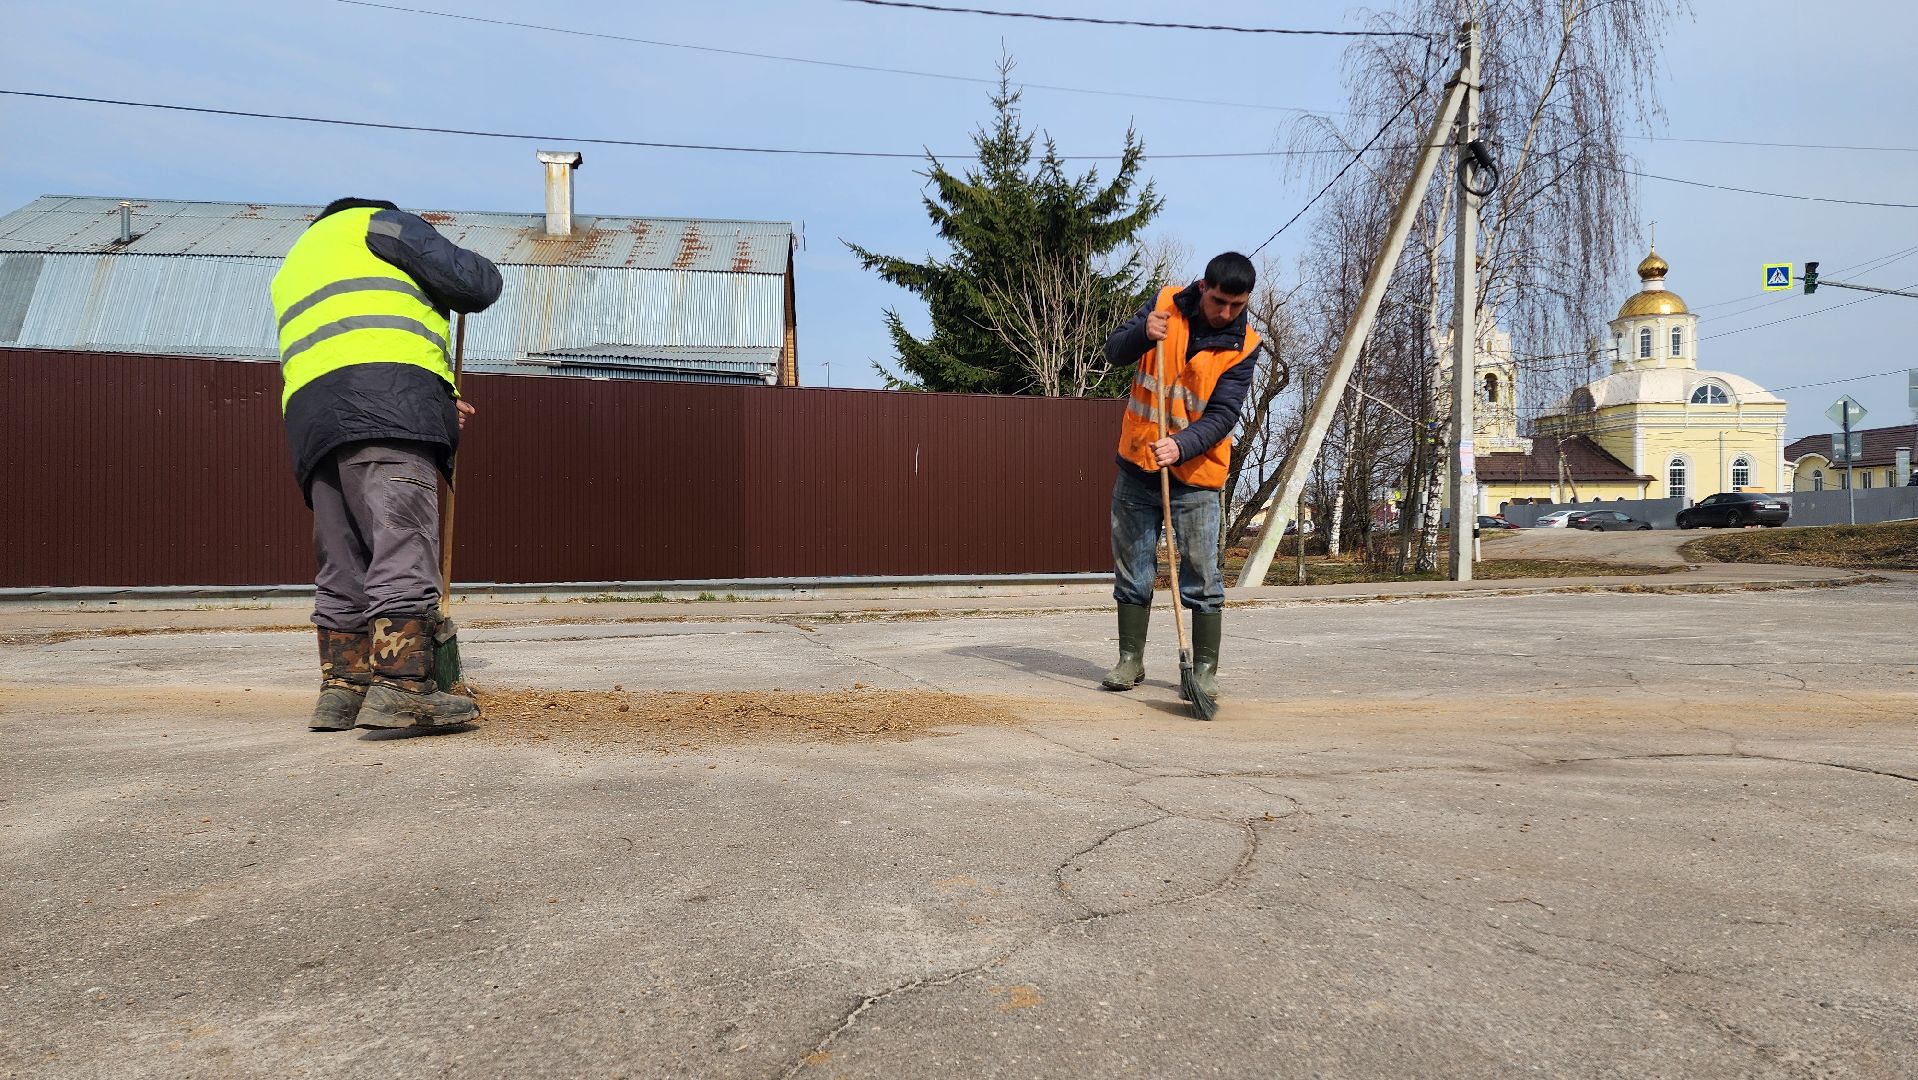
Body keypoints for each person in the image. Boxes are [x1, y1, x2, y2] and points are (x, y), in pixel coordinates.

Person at [271, 197, 502, 732]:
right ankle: (403, 688)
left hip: (315, 425)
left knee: (342, 558)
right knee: (402, 543)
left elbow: (355, 343)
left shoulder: (296, 260)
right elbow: (475, 284)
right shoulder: (379, 223)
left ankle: (343, 691)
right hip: (387, 410)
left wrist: (436, 399)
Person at [1098, 252, 1262, 704]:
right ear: (1203, 287)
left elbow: (1224, 413)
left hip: (1196, 477)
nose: (1226, 312)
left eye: (1237, 304)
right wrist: (1141, 334)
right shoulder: (1164, 304)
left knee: (1202, 576)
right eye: (1219, 301)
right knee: (1133, 570)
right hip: (1137, 465)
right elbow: (1114, 351)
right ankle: (1130, 659)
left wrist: (1182, 445)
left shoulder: (1245, 346)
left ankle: (1203, 671)